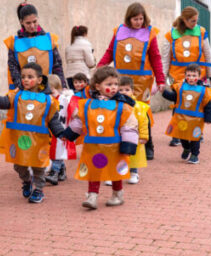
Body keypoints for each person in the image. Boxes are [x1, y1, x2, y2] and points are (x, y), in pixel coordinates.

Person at [0, 62, 64, 203]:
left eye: (30, 76)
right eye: (23, 76)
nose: (25, 79)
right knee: (19, 165)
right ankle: (26, 181)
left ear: (39, 80)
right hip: (19, 139)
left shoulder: (48, 101)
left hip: (39, 140)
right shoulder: (16, 95)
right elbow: (4, 102)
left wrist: (62, 133)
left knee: (38, 166)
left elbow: (53, 120)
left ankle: (38, 189)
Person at [59, 66, 138, 209]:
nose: (113, 87)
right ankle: (92, 196)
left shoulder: (122, 106)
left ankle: (117, 194)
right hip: (93, 146)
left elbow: (129, 125)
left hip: (115, 146)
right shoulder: (88, 104)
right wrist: (69, 134)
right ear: (97, 86)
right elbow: (80, 121)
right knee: (93, 170)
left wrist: (128, 145)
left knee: (115, 171)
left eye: (115, 84)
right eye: (109, 84)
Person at [98, 2, 165, 159]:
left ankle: (148, 144)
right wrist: (101, 66)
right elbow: (110, 52)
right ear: (129, 18)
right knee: (121, 110)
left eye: (141, 19)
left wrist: (160, 79)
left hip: (143, 81)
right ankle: (122, 142)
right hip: (121, 79)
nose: (138, 22)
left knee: (142, 112)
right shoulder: (119, 31)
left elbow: (156, 57)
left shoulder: (150, 33)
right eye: (135, 19)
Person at [162, 7, 211, 146]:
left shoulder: (201, 32)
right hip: (178, 75)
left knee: (197, 103)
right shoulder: (171, 35)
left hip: (197, 75)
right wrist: (162, 78)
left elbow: (208, 54)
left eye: (196, 20)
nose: (195, 23)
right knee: (178, 103)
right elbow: (165, 58)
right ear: (184, 20)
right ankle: (177, 133)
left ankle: (197, 132)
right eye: (192, 21)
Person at [4, 2, 66, 90]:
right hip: (26, 91)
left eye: (35, 21)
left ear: (38, 18)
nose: (32, 26)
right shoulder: (14, 43)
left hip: (48, 89)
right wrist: (21, 87)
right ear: (21, 22)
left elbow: (57, 66)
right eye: (28, 23)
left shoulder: (49, 39)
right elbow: (13, 69)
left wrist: (62, 87)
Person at [162, 63, 211, 164]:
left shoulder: (204, 90)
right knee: (182, 136)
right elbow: (173, 97)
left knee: (195, 137)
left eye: (194, 75)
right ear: (185, 76)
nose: (191, 78)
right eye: (189, 75)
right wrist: (163, 92)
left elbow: (208, 105)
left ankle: (194, 155)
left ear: (199, 76)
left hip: (196, 120)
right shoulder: (180, 87)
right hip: (182, 117)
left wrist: (208, 118)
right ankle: (186, 148)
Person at [118, 76, 150, 185]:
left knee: (133, 154)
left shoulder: (138, 106)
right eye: (120, 90)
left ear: (132, 91)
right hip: (118, 135)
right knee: (118, 154)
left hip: (133, 135)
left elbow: (143, 121)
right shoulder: (115, 104)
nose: (123, 92)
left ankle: (134, 172)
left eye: (127, 90)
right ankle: (117, 173)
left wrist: (144, 136)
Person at [44, 75, 75, 185]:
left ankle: (54, 173)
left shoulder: (64, 99)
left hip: (62, 129)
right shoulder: (47, 99)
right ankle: (62, 170)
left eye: (51, 89)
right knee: (53, 151)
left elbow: (73, 110)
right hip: (50, 129)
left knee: (58, 151)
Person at [64, 25, 95, 89]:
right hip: (82, 74)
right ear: (84, 33)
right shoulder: (86, 44)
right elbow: (90, 63)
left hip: (70, 75)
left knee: (74, 95)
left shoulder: (68, 46)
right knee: (84, 95)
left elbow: (67, 61)